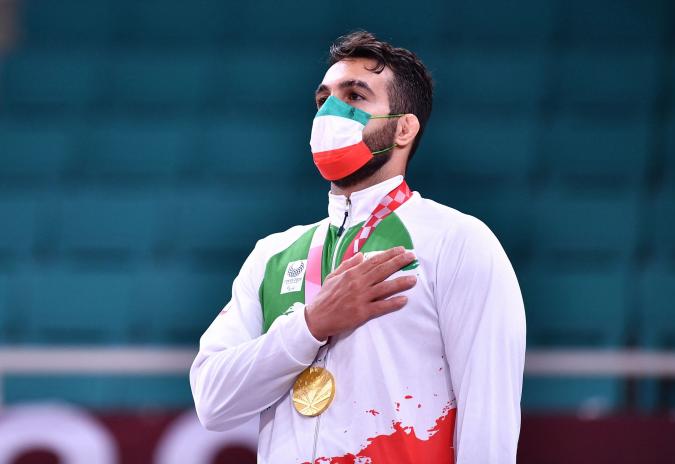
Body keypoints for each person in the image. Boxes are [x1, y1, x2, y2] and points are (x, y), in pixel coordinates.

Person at [190, 30, 526, 463]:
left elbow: (489, 422)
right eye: (323, 99)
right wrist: (310, 325)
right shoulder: (272, 254)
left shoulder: (457, 242)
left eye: (354, 96)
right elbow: (213, 401)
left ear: (403, 128)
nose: (331, 112)